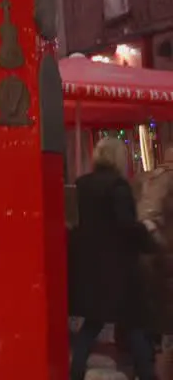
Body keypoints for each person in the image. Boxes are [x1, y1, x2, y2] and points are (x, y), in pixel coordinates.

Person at [70, 136, 159, 380]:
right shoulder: (118, 187)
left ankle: (75, 372)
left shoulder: (81, 185)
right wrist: (147, 230)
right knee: (134, 326)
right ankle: (148, 375)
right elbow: (126, 227)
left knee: (92, 326)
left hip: (90, 270)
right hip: (118, 272)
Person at [136, 146, 173, 379]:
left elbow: (144, 219)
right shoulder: (166, 180)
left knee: (163, 328)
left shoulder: (149, 178)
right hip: (166, 259)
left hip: (154, 261)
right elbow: (149, 218)